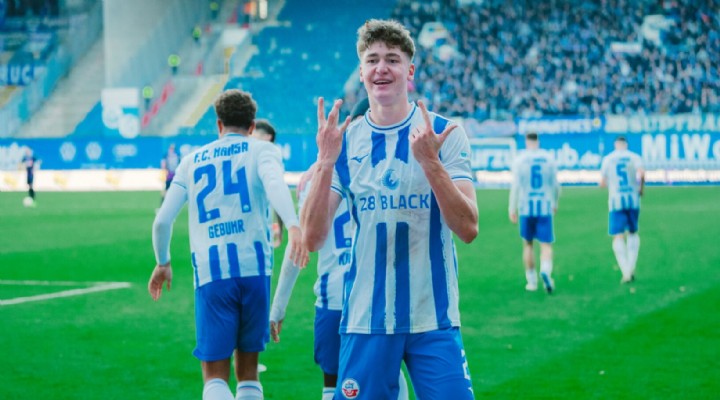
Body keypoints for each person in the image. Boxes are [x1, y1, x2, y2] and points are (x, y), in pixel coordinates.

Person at [302, 19, 478, 399]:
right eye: (372, 60)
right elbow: (312, 238)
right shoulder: (344, 143)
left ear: (409, 71)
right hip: (366, 319)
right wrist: (326, 162)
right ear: (361, 72)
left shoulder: (444, 134)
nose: (381, 68)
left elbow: (468, 228)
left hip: (433, 317)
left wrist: (430, 162)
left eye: (392, 60)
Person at [148, 89, 308, 400]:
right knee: (248, 373)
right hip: (254, 270)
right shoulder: (262, 150)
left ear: (219, 124)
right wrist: (292, 225)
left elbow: (162, 222)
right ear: (252, 126)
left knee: (214, 378)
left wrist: (163, 261)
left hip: (212, 273)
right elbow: (275, 185)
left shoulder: (191, 161)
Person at [269, 99, 409, 400]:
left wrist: (279, 305)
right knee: (390, 381)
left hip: (334, 297)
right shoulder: (388, 173)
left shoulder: (316, 179)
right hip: (376, 297)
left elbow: (299, 247)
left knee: (334, 388)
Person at [508, 132, 560, 293]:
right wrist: (555, 202)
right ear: (538, 141)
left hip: (525, 207)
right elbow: (555, 185)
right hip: (544, 206)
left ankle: (531, 282)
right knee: (546, 245)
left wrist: (512, 208)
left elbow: (516, 186)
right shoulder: (548, 158)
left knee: (528, 244)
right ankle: (545, 271)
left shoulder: (520, 159)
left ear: (526, 141)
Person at [600, 136, 645, 283]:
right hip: (633, 199)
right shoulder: (634, 157)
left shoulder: (608, 159)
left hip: (616, 201)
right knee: (632, 232)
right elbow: (641, 173)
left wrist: (607, 183)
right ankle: (631, 267)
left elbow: (602, 182)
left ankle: (626, 271)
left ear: (616, 144)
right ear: (626, 144)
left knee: (618, 235)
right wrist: (641, 188)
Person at [251, 119, 283, 247]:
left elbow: (278, 196)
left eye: (254, 133)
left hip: (260, 231)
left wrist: (281, 229)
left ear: (267, 137)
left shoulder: (269, 162)